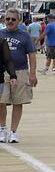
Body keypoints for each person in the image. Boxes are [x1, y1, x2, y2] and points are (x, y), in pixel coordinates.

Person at [0, 8, 35, 144]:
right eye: (7, 19)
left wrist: (32, 73)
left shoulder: (24, 35)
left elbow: (31, 54)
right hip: (2, 72)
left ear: (18, 21)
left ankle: (14, 131)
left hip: (20, 71)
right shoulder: (0, 33)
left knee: (18, 101)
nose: (10, 21)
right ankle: (2, 128)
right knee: (1, 101)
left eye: (13, 19)